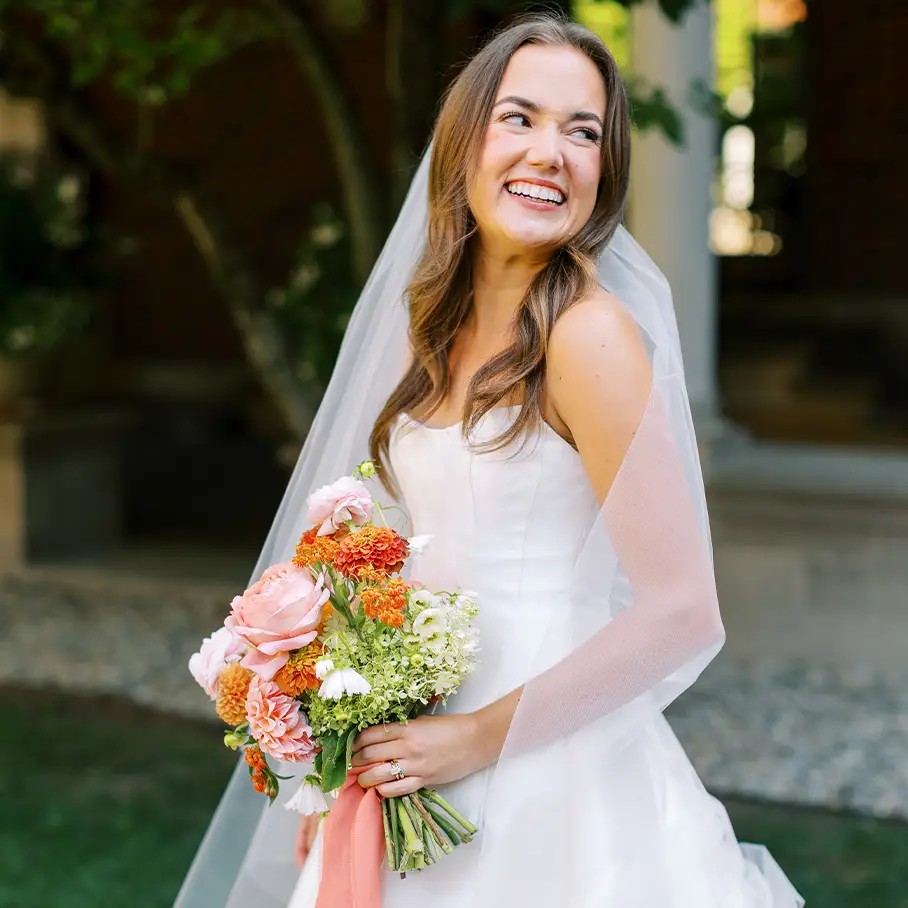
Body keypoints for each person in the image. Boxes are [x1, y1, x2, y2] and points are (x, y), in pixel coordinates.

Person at [176, 13, 805, 908]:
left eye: (583, 132)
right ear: (464, 142)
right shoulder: (430, 330)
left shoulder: (586, 337)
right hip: (411, 758)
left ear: (603, 173)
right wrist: (341, 746)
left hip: (548, 777)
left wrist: (476, 740)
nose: (551, 151)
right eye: (520, 118)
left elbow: (680, 612)